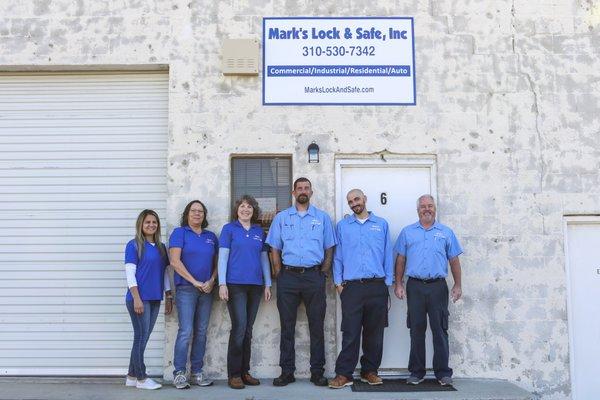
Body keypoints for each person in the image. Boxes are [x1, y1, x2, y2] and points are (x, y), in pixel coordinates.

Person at [266, 177, 337, 387]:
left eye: (306, 188)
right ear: (294, 193)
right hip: (288, 278)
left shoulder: (322, 218)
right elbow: (274, 248)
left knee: (316, 326)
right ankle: (287, 372)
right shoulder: (282, 218)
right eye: (299, 188)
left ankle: (317, 372)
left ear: (311, 192)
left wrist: (323, 273)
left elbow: (329, 248)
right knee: (287, 326)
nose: (303, 191)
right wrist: (278, 272)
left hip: (313, 277)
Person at [393, 194, 463, 386]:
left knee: (440, 329)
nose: (427, 209)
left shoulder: (446, 232)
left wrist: (457, 285)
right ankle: (417, 372)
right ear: (418, 210)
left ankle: (443, 373)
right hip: (414, 286)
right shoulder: (407, 232)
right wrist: (398, 284)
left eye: (430, 206)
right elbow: (400, 260)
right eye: (423, 206)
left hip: (438, 287)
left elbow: (454, 260)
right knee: (416, 329)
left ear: (435, 208)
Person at [328, 189, 393, 389]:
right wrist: (338, 284)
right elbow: (337, 257)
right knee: (350, 332)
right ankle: (344, 374)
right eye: (350, 201)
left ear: (365, 199)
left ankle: (369, 371)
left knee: (375, 333)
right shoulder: (343, 226)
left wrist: (387, 284)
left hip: (377, 286)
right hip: (352, 288)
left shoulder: (381, 225)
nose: (354, 203)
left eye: (356, 199)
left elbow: (387, 255)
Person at [218, 195, 273, 389]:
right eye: (242, 206)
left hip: (255, 286)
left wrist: (268, 284)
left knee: (248, 331)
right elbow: (223, 257)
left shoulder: (259, 231)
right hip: (235, 285)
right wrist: (222, 284)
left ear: (254, 211)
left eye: (249, 207)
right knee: (239, 328)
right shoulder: (229, 229)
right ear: (237, 210)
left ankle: (245, 372)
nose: (246, 209)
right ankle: (233, 374)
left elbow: (264, 259)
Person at [169, 200, 218, 389]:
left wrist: (212, 280)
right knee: (185, 331)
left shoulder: (211, 236)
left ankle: (197, 372)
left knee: (201, 332)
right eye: (193, 211)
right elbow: (175, 261)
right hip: (187, 290)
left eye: (200, 211)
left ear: (204, 215)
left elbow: (216, 263)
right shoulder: (180, 233)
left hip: (207, 290)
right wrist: (194, 281)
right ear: (187, 214)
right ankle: (179, 373)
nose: (197, 214)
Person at [124, 209, 172, 390]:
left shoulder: (161, 247)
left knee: (142, 337)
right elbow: (130, 274)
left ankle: (131, 376)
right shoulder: (134, 245)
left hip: (154, 298)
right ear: (141, 225)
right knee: (141, 337)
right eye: (147, 222)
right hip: (138, 299)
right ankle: (142, 378)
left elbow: (165, 274)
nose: (151, 225)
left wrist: (168, 295)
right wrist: (136, 298)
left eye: (154, 222)